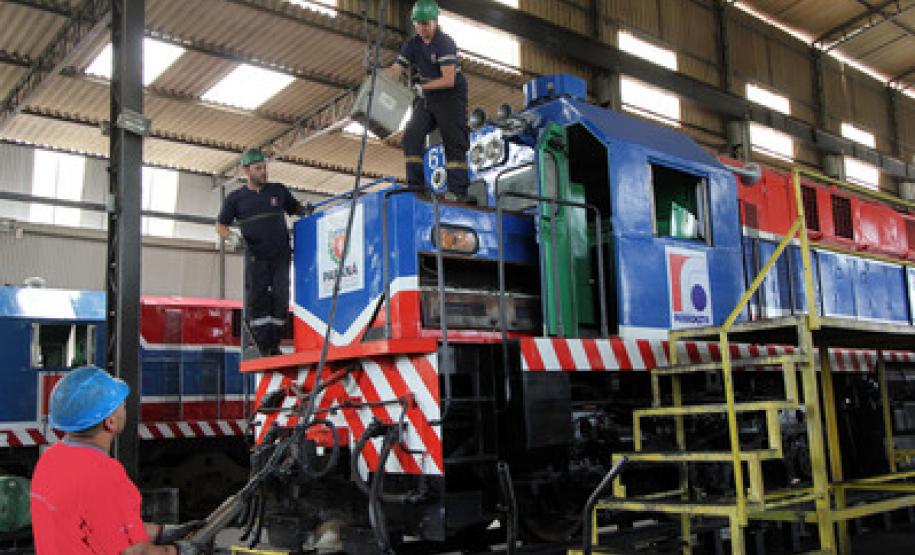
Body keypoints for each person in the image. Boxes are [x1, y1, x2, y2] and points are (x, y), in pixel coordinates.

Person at [30, 367, 201, 554]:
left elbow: (103, 524)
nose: (125, 406)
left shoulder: (51, 459)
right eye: (122, 404)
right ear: (110, 422)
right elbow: (134, 552)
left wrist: (164, 532)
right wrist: (179, 550)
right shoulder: (104, 474)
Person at [216, 148, 303, 356]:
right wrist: (231, 237)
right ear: (247, 171)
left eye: (264, 168)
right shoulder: (236, 199)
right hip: (256, 257)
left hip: (281, 255)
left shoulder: (279, 191)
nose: (263, 172)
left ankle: (274, 343)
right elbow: (220, 225)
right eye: (258, 169)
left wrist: (308, 212)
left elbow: (298, 210)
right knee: (258, 298)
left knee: (282, 296)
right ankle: (263, 344)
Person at [389, 0, 470, 201]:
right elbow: (396, 69)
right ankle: (416, 190)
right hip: (428, 97)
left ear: (435, 21)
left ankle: (458, 191)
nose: (422, 28)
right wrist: (378, 76)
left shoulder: (444, 43)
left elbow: (449, 79)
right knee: (411, 137)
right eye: (418, 23)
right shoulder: (412, 45)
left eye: (425, 23)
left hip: (451, 97)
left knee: (453, 141)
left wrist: (421, 87)